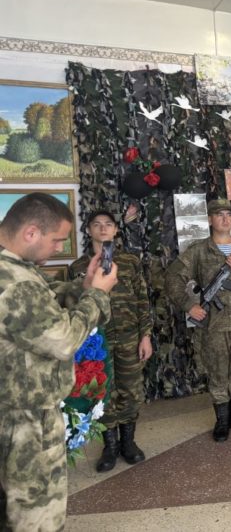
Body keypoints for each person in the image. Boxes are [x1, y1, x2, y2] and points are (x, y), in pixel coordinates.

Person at [0, 193, 117, 531]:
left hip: (13, 408)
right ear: (31, 232)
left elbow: (45, 301)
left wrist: (84, 286)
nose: (58, 248)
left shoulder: (15, 268)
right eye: (56, 240)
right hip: (26, 418)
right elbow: (63, 341)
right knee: (36, 514)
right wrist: (98, 294)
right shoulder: (15, 282)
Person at [166, 199, 231, 442]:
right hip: (214, 325)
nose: (225, 219)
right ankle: (222, 420)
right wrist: (189, 306)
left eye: (228, 215)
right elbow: (173, 278)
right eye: (219, 214)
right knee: (217, 371)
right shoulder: (199, 251)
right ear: (210, 220)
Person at [69, 210, 153, 473]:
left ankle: (128, 442)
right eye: (96, 224)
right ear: (89, 230)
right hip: (97, 341)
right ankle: (110, 446)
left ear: (116, 230)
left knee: (130, 390)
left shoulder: (130, 262)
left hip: (129, 337)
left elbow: (142, 300)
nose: (103, 228)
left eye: (108, 224)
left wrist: (146, 335)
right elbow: (73, 306)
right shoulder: (79, 268)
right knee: (102, 392)